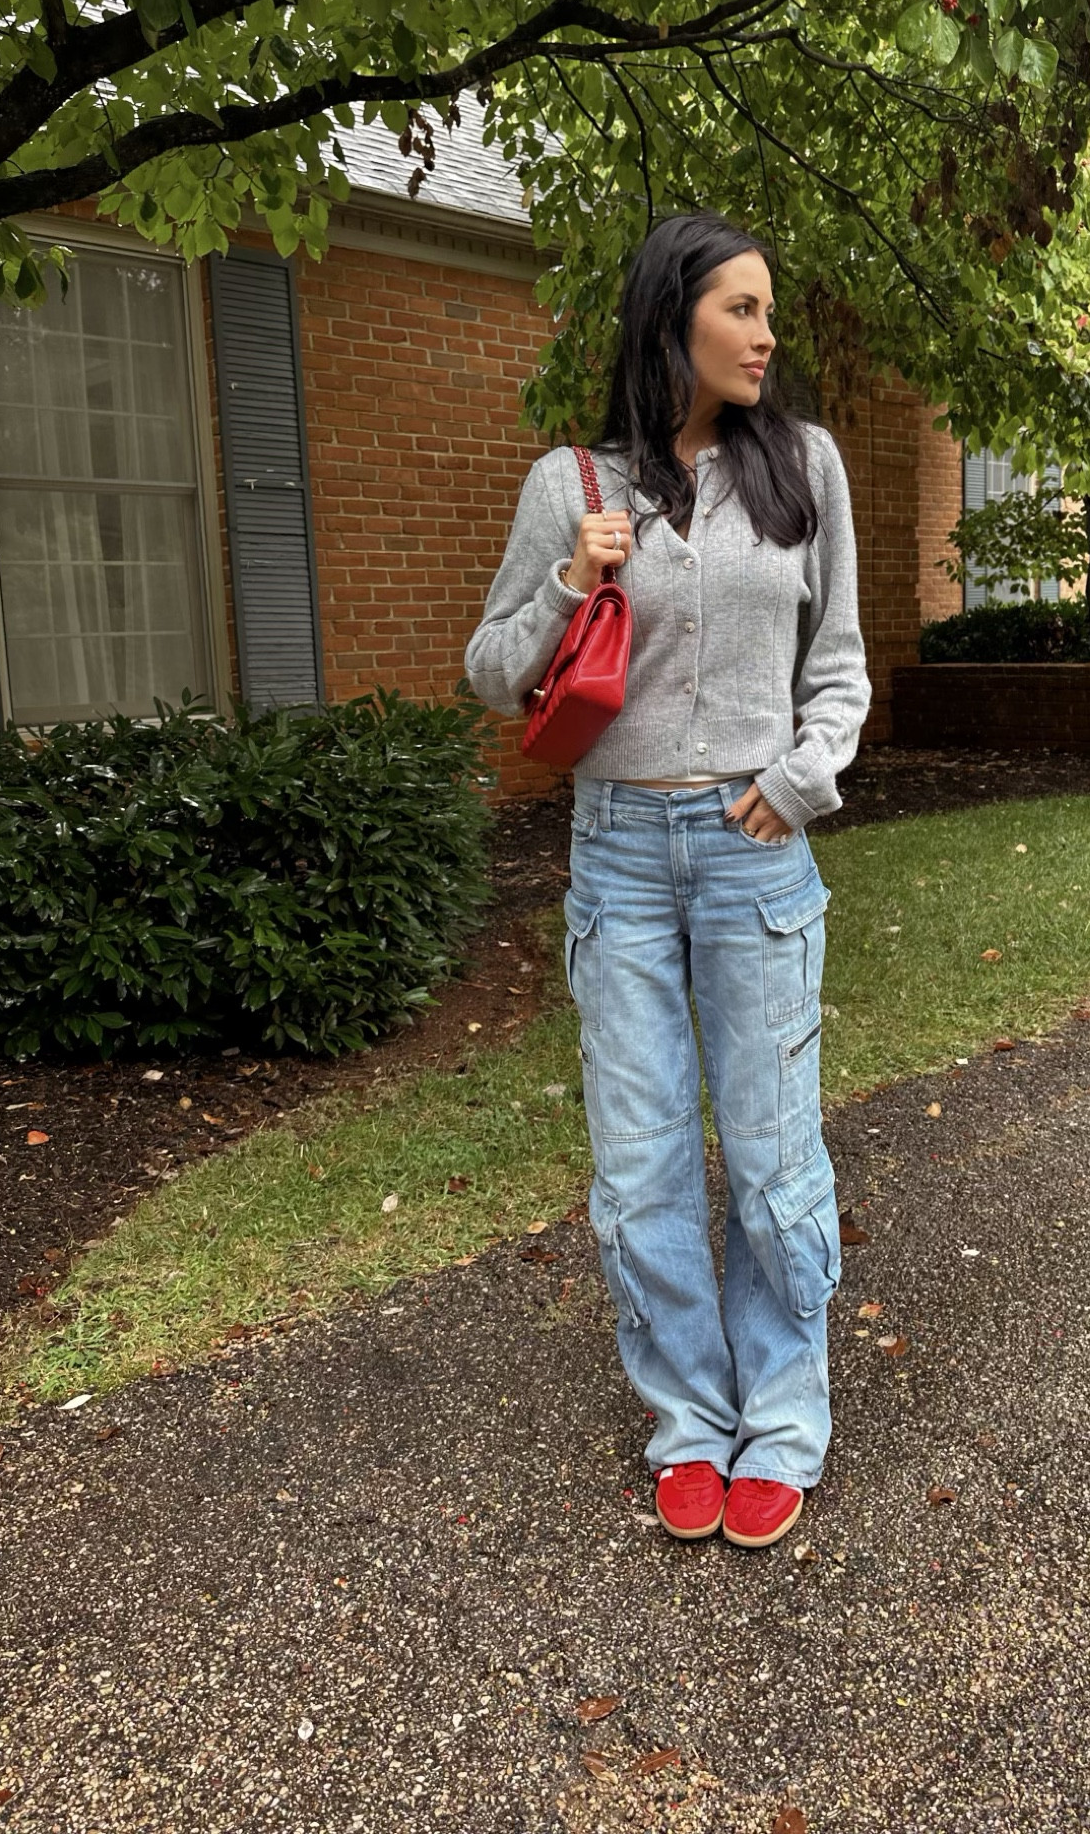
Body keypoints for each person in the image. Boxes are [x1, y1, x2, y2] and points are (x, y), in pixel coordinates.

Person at [465, 212, 870, 1549]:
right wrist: (566, 584)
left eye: (771, 313)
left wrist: (799, 783)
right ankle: (690, 1420)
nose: (766, 336)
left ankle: (785, 1419)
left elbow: (840, 665)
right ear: (671, 318)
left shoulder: (803, 466)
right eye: (741, 309)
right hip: (620, 858)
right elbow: (491, 670)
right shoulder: (570, 484)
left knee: (766, 1154)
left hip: (755, 850)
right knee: (641, 1167)